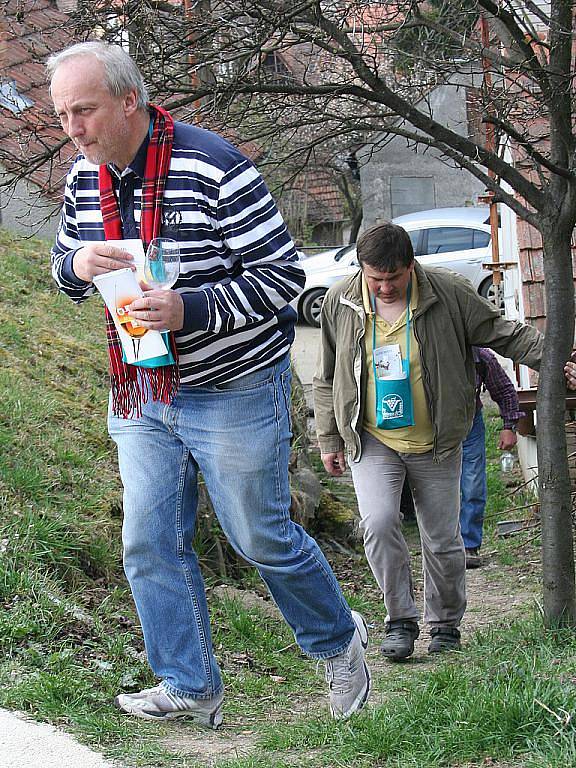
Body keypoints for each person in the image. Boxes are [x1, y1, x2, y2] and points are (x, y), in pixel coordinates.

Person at [48, 41, 370, 725]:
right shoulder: (84, 178)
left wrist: (188, 308)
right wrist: (77, 263)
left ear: (128, 100)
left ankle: (339, 641)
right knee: (148, 539)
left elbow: (285, 278)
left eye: (84, 111)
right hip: (141, 387)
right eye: (62, 115)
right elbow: (60, 263)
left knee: (260, 538)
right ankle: (189, 684)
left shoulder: (214, 166)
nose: (73, 129)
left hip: (234, 388)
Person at [313, 222, 548, 662]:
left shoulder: (448, 292)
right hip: (373, 437)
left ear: (411, 267)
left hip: (437, 438)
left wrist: (555, 356)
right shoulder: (340, 300)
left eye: (393, 277)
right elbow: (326, 376)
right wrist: (328, 436)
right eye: (374, 277)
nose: (384, 287)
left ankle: (445, 623)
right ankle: (399, 619)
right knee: (379, 524)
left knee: (441, 537)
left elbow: (502, 332)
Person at [461, 347, 524, 569]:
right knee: (435, 487)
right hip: (431, 425)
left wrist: (509, 426)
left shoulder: (481, 356)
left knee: (472, 482)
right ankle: (441, 546)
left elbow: (505, 390)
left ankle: (468, 545)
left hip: (469, 421)